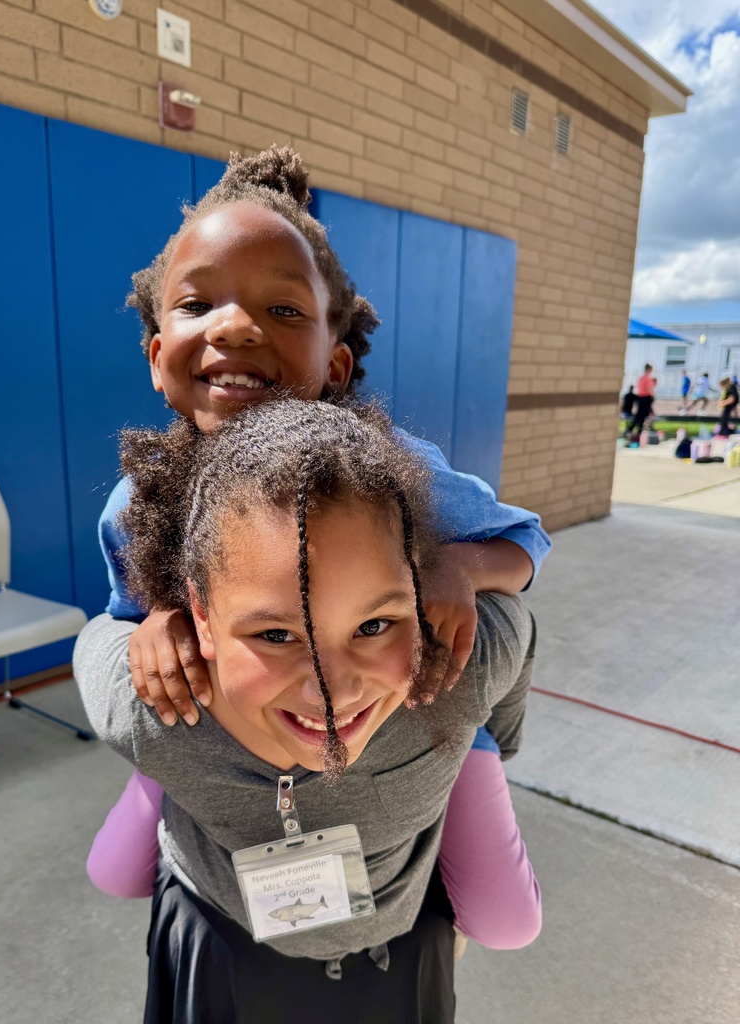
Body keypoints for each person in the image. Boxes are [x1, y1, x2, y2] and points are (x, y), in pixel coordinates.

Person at [87, 147, 550, 937]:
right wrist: (158, 624)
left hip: (404, 699)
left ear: (336, 364)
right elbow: (123, 612)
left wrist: (457, 565)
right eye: (198, 304)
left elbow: (526, 546)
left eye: (284, 310)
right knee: (115, 870)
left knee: (505, 919)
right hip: (228, 720)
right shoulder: (140, 499)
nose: (236, 326)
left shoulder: (382, 475)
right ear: (158, 359)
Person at [75, 399, 541, 1023]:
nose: (331, 693)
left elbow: (517, 627)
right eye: (276, 635)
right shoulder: (148, 711)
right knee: (114, 868)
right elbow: (96, 643)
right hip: (220, 919)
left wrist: (484, 741)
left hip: (390, 941)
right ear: (201, 619)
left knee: (511, 920)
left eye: (374, 624)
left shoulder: (463, 672)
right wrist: (152, 647)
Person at [628, 363, 655, 438]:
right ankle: (638, 430)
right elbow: (649, 389)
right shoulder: (648, 378)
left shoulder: (640, 378)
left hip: (640, 397)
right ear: (649, 369)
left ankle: (632, 428)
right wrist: (652, 394)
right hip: (646, 397)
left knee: (639, 414)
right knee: (642, 414)